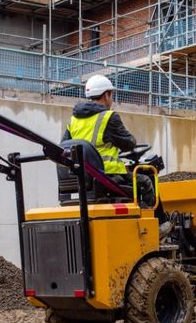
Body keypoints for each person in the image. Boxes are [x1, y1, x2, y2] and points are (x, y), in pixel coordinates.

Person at [62, 75, 170, 236]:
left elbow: (64, 146)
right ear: (106, 95)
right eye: (111, 95)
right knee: (147, 179)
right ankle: (154, 227)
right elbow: (129, 143)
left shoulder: (73, 120)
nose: (111, 99)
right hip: (108, 176)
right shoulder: (108, 117)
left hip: (82, 179)